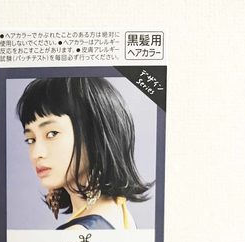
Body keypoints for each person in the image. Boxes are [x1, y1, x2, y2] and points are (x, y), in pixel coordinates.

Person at [16, 77, 152, 230]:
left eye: (52, 133)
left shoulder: (77, 232)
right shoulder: (118, 210)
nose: (36, 153)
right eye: (30, 139)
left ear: (94, 136)